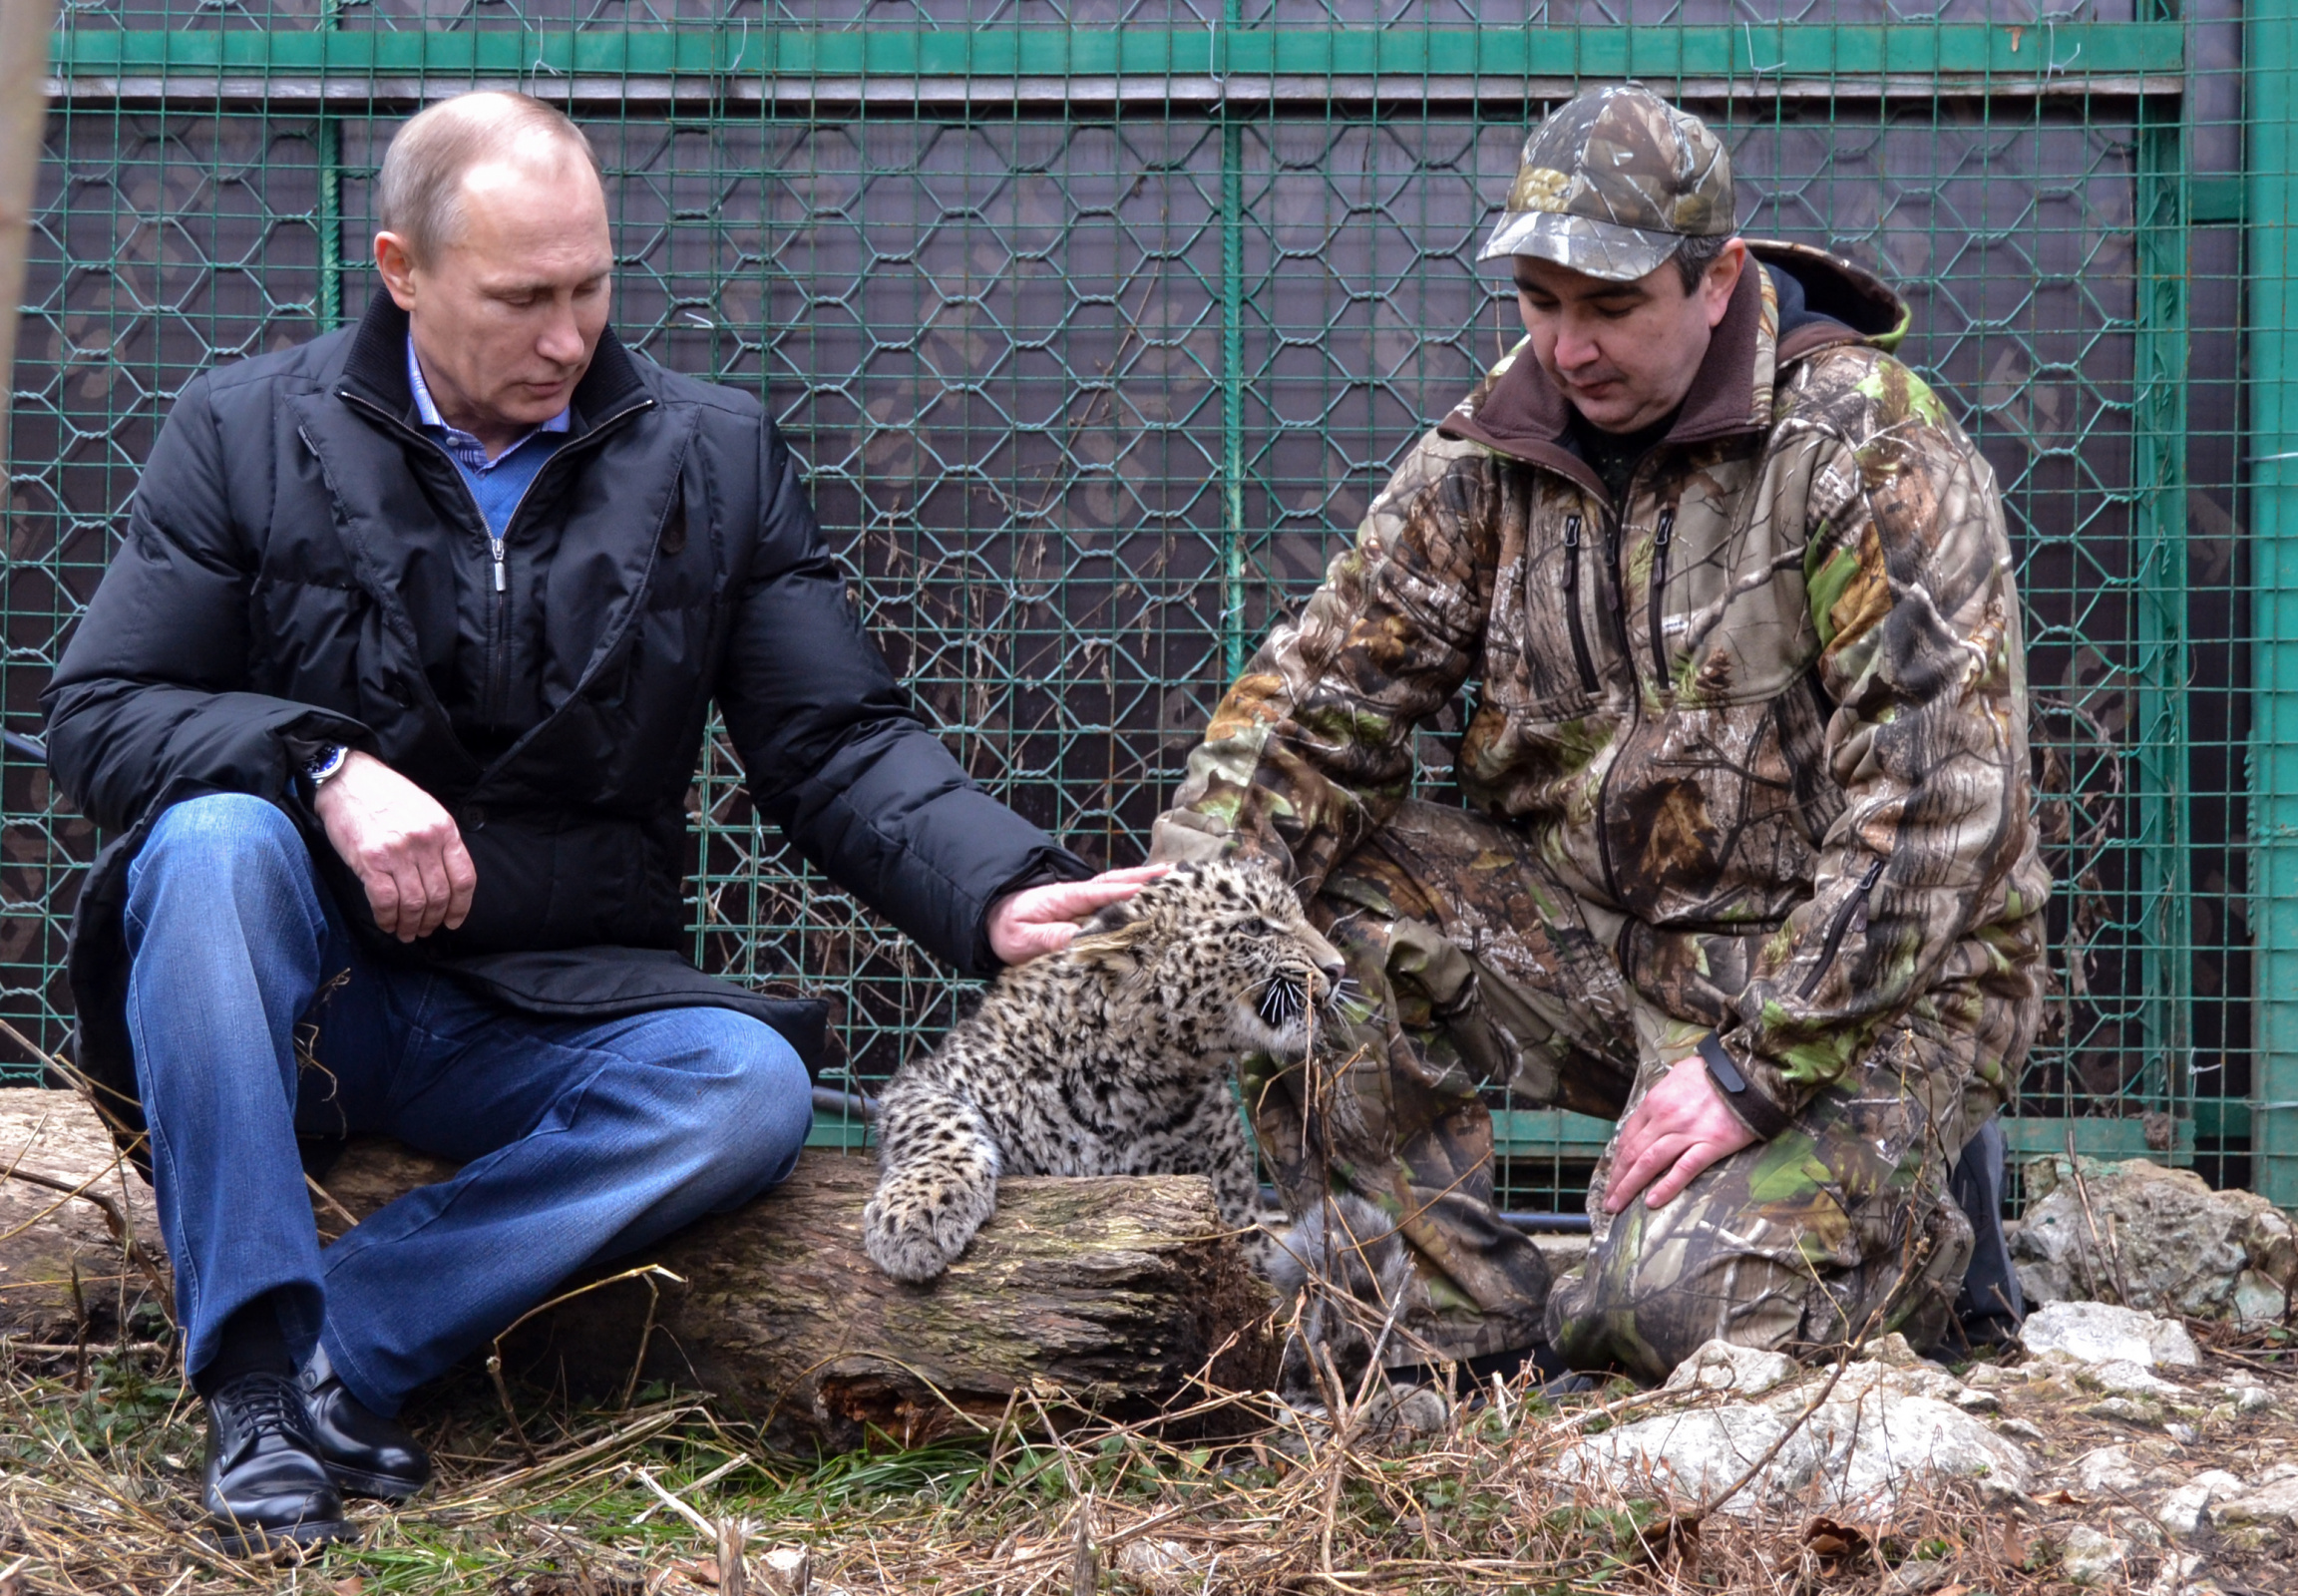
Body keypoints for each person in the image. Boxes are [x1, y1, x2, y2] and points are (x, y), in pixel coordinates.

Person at [42, 91, 1153, 1553]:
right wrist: (318, 761)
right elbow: (101, 709)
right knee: (206, 842)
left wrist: (997, 889)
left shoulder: (716, 456)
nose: (567, 340)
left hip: (554, 1003)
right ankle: (250, 1382)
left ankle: (337, 1351)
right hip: (307, 1001)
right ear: (401, 271)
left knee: (745, 1084)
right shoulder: (243, 432)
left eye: (591, 287)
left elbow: (830, 742)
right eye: (522, 300)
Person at [1150, 84, 2047, 1384]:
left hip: (1878, 979)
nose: (1568, 349)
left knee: (1659, 1313)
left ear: (1720, 275)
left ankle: (1907, 1223)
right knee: (1267, 905)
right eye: (1541, 302)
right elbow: (1303, 717)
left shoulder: (1865, 444)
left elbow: (1940, 808)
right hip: (1606, 951)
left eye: (1613, 306)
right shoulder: (1487, 460)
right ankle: (1444, 1328)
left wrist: (1750, 1076)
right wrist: (1182, 924)